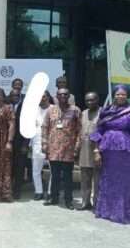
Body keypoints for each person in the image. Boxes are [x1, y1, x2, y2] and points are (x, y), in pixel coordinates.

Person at [90, 85, 130, 224]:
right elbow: (98, 132)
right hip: (106, 150)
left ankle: (121, 212)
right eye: (118, 94)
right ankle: (106, 211)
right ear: (114, 95)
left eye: (123, 94)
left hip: (124, 151)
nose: (120, 96)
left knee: (124, 181)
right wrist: (96, 151)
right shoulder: (106, 111)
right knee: (107, 179)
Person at [42, 88, 81, 210]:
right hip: (53, 148)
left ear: (69, 96)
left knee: (68, 177)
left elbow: (80, 130)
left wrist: (77, 147)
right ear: (56, 97)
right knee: (55, 175)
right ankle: (54, 198)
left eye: (65, 94)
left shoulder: (75, 110)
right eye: (60, 94)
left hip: (68, 149)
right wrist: (44, 144)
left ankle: (68, 200)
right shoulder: (50, 110)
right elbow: (45, 128)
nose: (63, 96)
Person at [76, 92, 101, 211]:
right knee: (85, 177)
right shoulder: (83, 113)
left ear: (97, 100)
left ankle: (97, 203)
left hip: (98, 149)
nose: (90, 102)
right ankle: (85, 202)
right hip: (84, 148)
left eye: (92, 100)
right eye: (87, 101)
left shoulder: (103, 112)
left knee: (97, 179)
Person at [30, 91, 53, 200]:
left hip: (52, 144)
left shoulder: (54, 109)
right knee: (36, 170)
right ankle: (38, 191)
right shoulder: (33, 110)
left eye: (44, 96)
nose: (41, 99)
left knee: (53, 170)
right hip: (37, 143)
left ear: (48, 97)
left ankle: (50, 192)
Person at [9, 89, 29, 199]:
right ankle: (9, 188)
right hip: (8, 142)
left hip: (21, 142)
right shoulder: (7, 106)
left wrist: (25, 144)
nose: (14, 97)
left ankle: (17, 191)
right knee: (9, 166)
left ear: (20, 96)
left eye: (17, 95)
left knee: (19, 168)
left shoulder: (25, 108)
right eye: (12, 95)